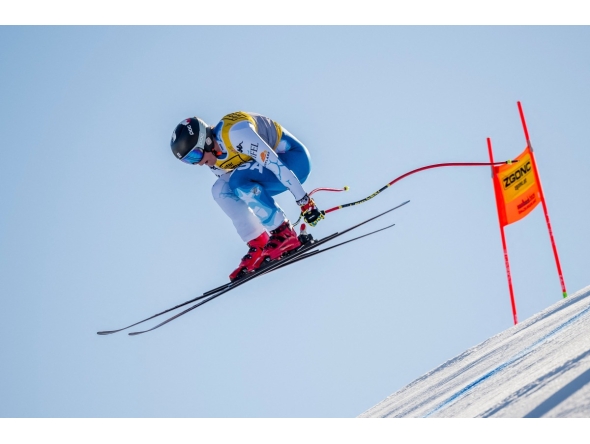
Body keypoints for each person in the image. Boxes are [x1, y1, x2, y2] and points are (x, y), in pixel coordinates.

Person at [170, 111, 323, 281]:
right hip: (269, 173)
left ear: (206, 141)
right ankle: (258, 242)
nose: (197, 163)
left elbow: (275, 164)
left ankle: (284, 233)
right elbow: (244, 194)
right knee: (220, 190)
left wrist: (304, 201)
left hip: (294, 161)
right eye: (189, 161)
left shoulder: (235, 134)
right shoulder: (213, 160)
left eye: (195, 155)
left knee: (237, 180)